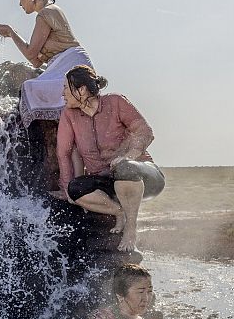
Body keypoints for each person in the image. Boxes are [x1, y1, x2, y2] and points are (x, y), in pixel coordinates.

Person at [57, 65, 164, 253]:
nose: (63, 93)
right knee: (75, 188)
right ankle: (118, 211)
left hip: (142, 174)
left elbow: (145, 132)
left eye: (66, 88)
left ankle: (130, 228)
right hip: (106, 180)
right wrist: (67, 188)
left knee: (124, 168)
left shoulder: (115, 102)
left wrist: (127, 157)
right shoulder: (69, 115)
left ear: (81, 89)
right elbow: (63, 153)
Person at [0, 0, 93, 127]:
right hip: (69, 64)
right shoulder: (50, 11)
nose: (20, 3)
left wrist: (12, 33)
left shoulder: (45, 13)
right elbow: (35, 62)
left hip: (71, 66)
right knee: (32, 90)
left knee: (28, 89)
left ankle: (34, 145)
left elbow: (31, 53)